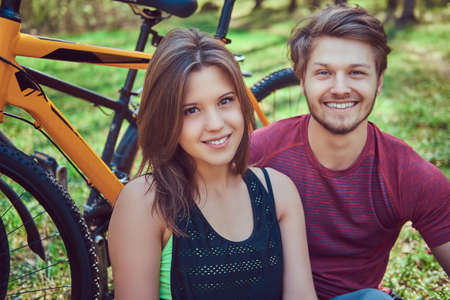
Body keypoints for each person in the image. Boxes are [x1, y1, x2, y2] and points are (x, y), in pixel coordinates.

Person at [249, 4, 450, 300]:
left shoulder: (406, 174)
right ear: (302, 80)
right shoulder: (260, 151)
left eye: (356, 72)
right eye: (324, 73)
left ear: (378, 81)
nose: (340, 88)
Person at [108, 28, 317, 300]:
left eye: (225, 101)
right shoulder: (146, 202)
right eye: (191, 110)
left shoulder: (278, 192)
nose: (216, 124)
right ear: (165, 118)